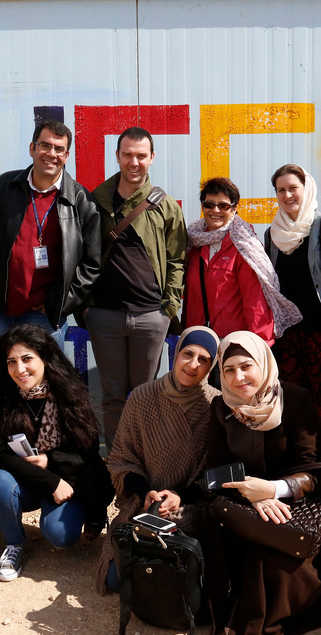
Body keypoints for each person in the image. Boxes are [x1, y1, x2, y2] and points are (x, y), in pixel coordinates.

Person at [203, 331, 321, 635]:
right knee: (233, 537)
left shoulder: (295, 399)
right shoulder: (222, 407)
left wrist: (273, 489)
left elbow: (313, 472)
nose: (238, 378)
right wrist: (253, 494)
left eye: (246, 366)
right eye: (229, 370)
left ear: (263, 363)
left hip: (296, 501)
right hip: (243, 501)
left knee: (276, 558)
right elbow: (215, 469)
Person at [0, 324, 113, 581]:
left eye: (27, 359)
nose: (20, 369)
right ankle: (15, 544)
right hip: (28, 479)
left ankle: (85, 513)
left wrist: (50, 460)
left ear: (45, 358)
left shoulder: (67, 390)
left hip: (67, 480)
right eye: (11, 362)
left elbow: (87, 452)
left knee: (60, 536)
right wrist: (49, 480)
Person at [96, 325, 221, 593]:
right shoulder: (143, 396)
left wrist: (180, 497)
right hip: (144, 506)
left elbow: (216, 473)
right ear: (176, 354)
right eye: (188, 354)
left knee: (172, 571)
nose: (193, 365)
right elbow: (121, 459)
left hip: (191, 508)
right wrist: (146, 494)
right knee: (115, 580)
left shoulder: (216, 405)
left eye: (203, 359)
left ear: (211, 367)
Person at [87, 127, 187, 450]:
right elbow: (79, 254)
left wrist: (168, 308)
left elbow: (177, 259)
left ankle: (146, 459)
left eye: (141, 156)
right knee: (113, 397)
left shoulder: (165, 205)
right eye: (127, 155)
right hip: (105, 316)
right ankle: (119, 462)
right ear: (117, 156)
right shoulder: (95, 201)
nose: (134, 162)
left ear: (152, 158)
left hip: (150, 317)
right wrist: (86, 307)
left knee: (147, 396)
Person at [0, 120, 100, 366]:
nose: (51, 154)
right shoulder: (5, 186)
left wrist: (61, 303)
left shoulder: (81, 200)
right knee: (4, 380)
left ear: (66, 156)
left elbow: (92, 265)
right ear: (32, 148)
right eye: (45, 145)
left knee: (45, 381)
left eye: (59, 149)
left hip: (44, 316)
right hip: (0, 311)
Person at [266, 164, 321, 487]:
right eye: (281, 190)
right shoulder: (272, 235)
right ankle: (305, 477)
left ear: (307, 188)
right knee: (295, 411)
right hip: (288, 342)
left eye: (293, 188)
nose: (287, 195)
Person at [183, 177, 301, 346]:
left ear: (234, 209)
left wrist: (257, 346)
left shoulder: (244, 246)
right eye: (209, 204)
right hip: (197, 343)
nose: (215, 210)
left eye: (223, 205)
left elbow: (256, 303)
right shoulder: (193, 243)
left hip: (232, 345)